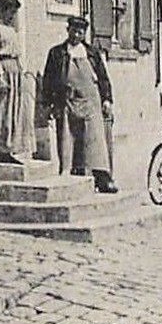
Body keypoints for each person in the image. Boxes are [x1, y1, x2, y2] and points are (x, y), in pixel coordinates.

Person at [42, 16, 118, 193]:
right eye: (74, 31)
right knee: (68, 138)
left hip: (91, 100)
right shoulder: (57, 53)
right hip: (67, 100)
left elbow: (104, 78)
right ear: (67, 30)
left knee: (95, 139)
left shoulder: (91, 53)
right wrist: (49, 103)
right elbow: (48, 79)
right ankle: (70, 179)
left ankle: (102, 178)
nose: (77, 35)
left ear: (84, 33)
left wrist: (107, 99)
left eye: (80, 32)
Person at [0, 0, 25, 164]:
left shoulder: (12, 29)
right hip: (4, 69)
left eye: (14, 13)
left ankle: (9, 146)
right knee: (2, 108)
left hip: (14, 69)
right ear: (2, 10)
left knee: (13, 108)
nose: (12, 16)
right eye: (10, 11)